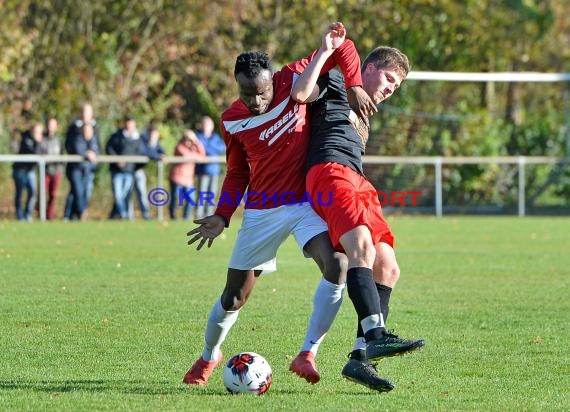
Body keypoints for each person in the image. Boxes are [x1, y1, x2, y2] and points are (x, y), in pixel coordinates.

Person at [182, 22, 370, 387]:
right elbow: (237, 173)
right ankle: (208, 356)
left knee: (338, 265)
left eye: (262, 92)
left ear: (272, 81)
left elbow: (341, 49)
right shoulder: (232, 120)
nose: (256, 101)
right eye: (247, 94)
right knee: (234, 296)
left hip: (304, 204)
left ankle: (307, 352)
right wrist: (222, 215)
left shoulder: (292, 79)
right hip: (262, 212)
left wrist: (355, 84)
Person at [291, 42, 425, 391]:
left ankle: (361, 358)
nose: (390, 89)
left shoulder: (366, 113)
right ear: (368, 68)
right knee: (360, 250)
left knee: (388, 267)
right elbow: (300, 92)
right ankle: (377, 333)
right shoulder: (336, 82)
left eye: (396, 87)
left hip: (358, 180)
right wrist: (324, 52)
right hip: (328, 171)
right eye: (388, 78)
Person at [106, 115, 147, 220]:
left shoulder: (138, 138)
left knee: (125, 196)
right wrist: (116, 159)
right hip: (117, 171)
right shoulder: (117, 136)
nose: (129, 124)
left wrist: (133, 164)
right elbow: (109, 148)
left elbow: (142, 152)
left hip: (129, 171)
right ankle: (123, 215)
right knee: (118, 195)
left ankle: (118, 215)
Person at [64, 103, 100, 220]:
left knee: (84, 192)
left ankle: (74, 215)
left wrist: (93, 152)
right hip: (75, 167)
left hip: (88, 167)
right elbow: (71, 145)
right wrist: (84, 153)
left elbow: (98, 145)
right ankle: (78, 213)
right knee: (77, 191)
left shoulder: (95, 128)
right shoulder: (74, 128)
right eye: (84, 112)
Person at [129, 125, 166, 220]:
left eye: (155, 136)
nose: (152, 137)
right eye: (151, 135)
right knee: (127, 194)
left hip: (138, 171)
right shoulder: (142, 141)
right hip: (129, 170)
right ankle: (128, 215)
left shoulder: (156, 143)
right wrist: (157, 156)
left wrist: (162, 155)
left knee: (142, 193)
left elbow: (162, 151)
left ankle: (145, 215)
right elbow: (145, 152)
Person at [168, 129, 205, 220]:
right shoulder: (179, 146)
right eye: (187, 139)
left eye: (190, 140)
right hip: (176, 178)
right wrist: (196, 156)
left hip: (188, 180)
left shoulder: (193, 148)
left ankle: (185, 218)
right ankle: (173, 217)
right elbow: (186, 156)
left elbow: (202, 155)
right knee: (175, 199)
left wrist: (196, 142)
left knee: (191, 200)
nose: (188, 142)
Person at [194, 116, 225, 219]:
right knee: (201, 194)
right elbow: (202, 148)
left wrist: (208, 148)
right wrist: (211, 149)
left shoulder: (215, 137)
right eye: (205, 124)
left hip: (214, 171)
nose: (207, 127)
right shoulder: (198, 136)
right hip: (202, 171)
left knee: (212, 194)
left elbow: (221, 148)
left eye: (209, 125)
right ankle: (199, 215)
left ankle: (209, 214)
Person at [12, 122, 43, 221]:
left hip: (30, 171)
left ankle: (28, 214)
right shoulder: (26, 139)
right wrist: (38, 142)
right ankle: (19, 215)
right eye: (36, 132)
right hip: (20, 170)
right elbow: (33, 152)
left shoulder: (40, 140)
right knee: (19, 193)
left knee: (32, 192)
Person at [39, 117, 64, 220]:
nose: (51, 127)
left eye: (53, 125)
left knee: (53, 194)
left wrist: (60, 168)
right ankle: (40, 213)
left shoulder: (59, 140)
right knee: (42, 193)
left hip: (56, 170)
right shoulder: (42, 139)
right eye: (49, 125)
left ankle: (50, 215)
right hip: (44, 170)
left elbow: (62, 154)